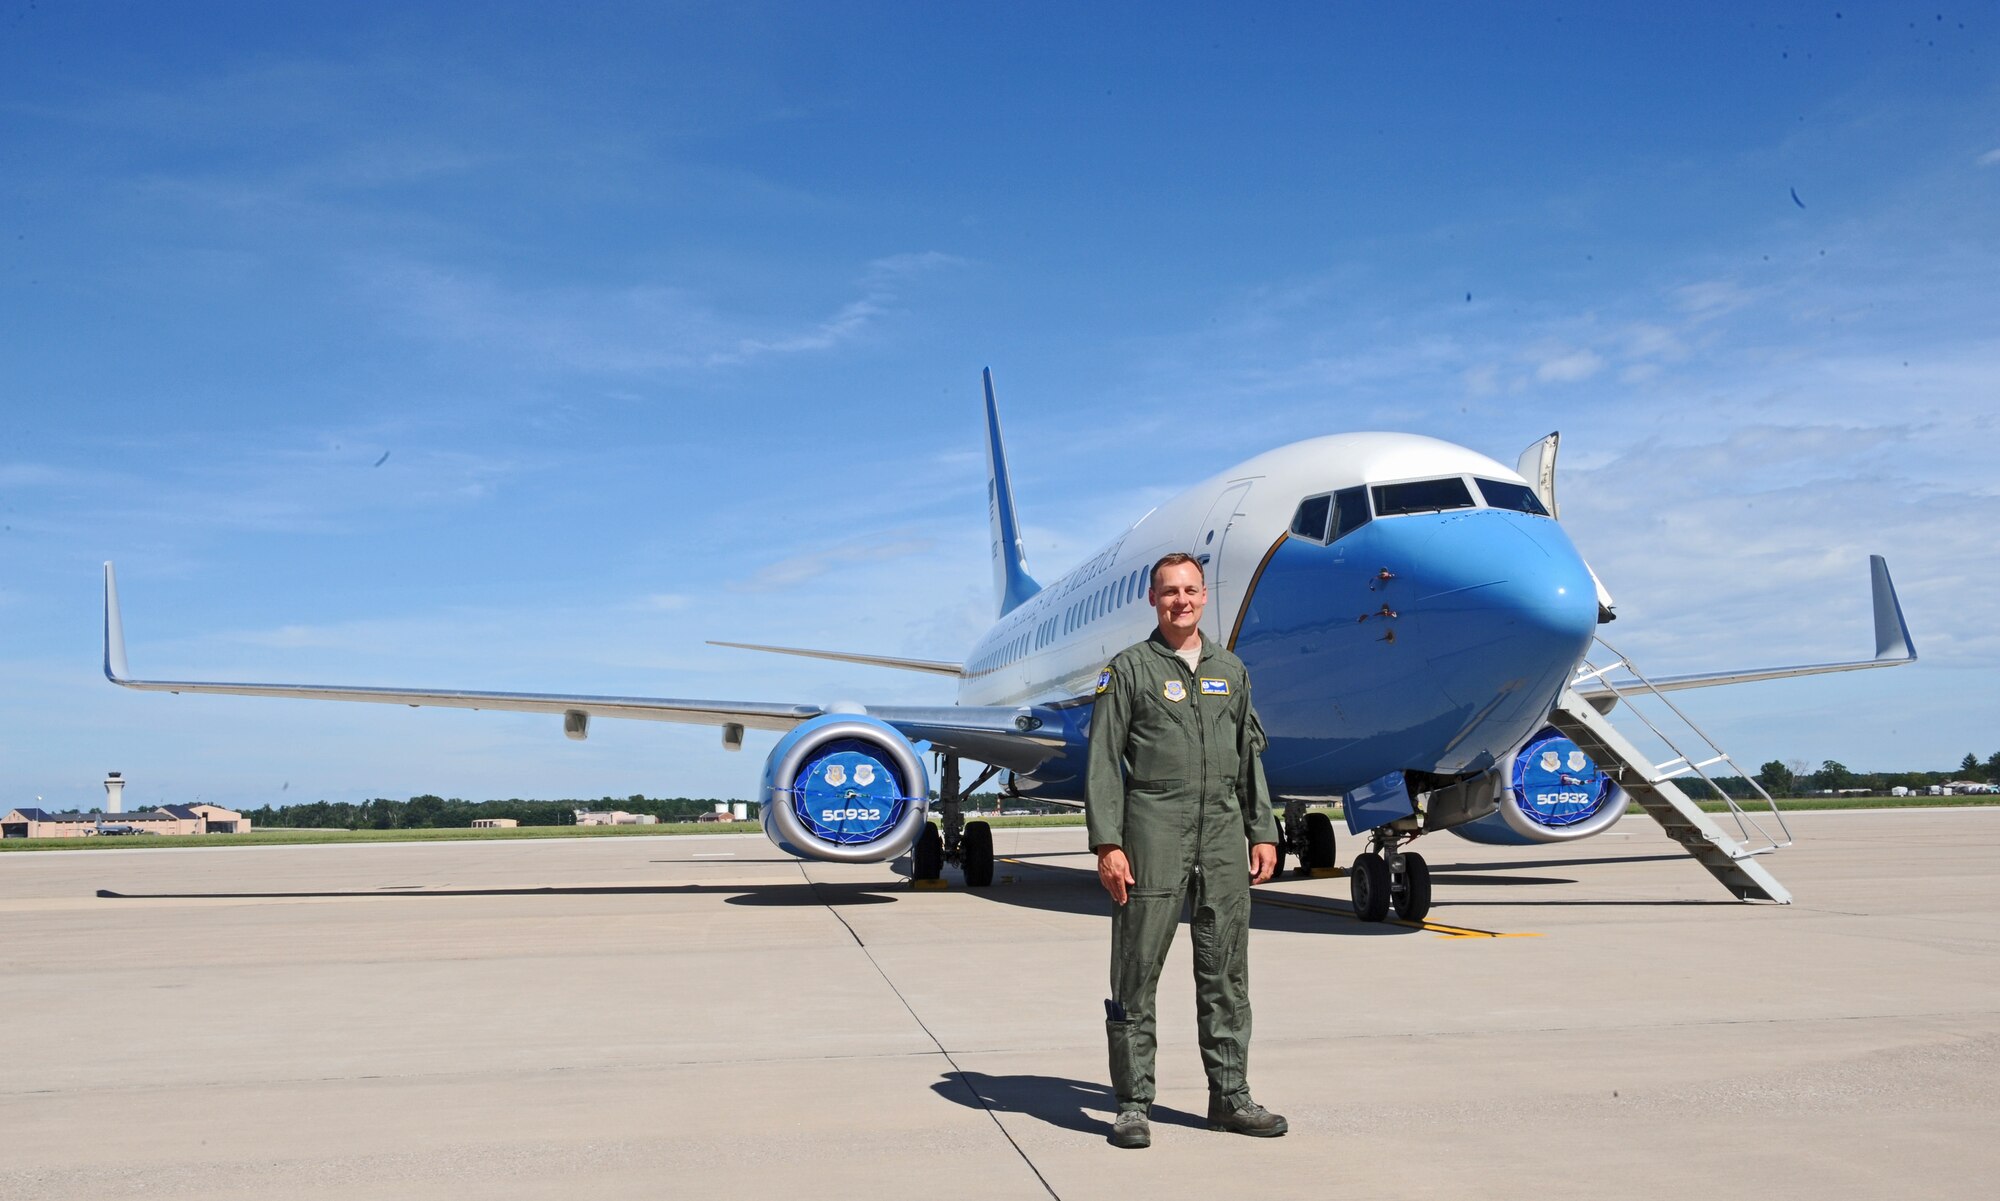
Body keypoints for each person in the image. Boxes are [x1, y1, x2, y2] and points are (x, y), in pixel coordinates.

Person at [1085, 551, 1286, 1150]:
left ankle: (1230, 1097)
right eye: (1169, 591)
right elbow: (1103, 761)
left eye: (1191, 590)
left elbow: (1250, 754)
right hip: (1153, 825)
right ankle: (1131, 1103)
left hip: (1223, 832)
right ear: (1154, 600)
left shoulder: (1232, 669)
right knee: (1137, 970)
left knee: (1226, 971)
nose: (1181, 600)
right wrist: (1108, 843)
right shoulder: (1129, 670)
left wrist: (1263, 829)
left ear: (1204, 596)